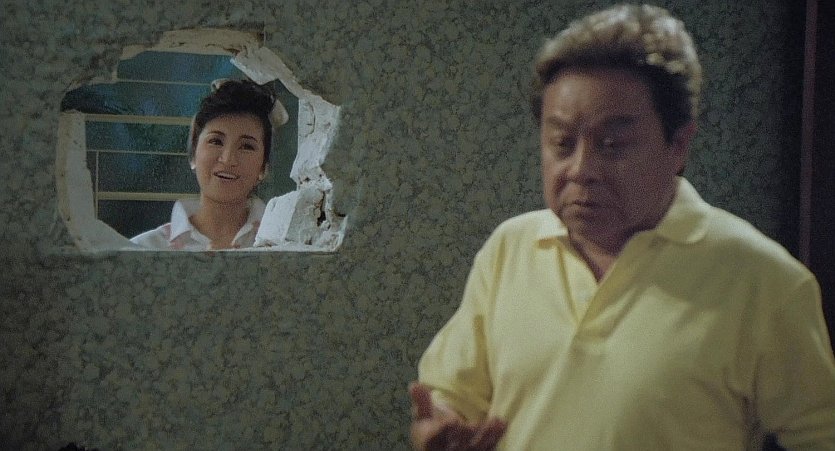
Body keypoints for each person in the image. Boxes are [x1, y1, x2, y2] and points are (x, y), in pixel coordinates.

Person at [409, 4, 835, 450]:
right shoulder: (510, 249)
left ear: (679, 144)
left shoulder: (763, 280)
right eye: (562, 143)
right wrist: (438, 431)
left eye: (612, 144)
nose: (581, 170)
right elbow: (452, 401)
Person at [131, 78, 288, 250]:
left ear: (264, 167)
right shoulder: (143, 250)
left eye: (246, 146)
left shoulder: (286, 246)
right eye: (216, 141)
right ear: (193, 155)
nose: (228, 159)